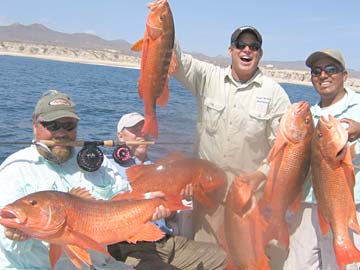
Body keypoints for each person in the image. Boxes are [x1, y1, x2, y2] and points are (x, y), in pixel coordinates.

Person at [0, 90, 170, 270]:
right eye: (52, 125)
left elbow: (124, 198)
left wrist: (150, 204)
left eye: (69, 126)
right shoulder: (15, 169)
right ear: (35, 126)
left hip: (100, 264)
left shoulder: (97, 161)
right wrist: (14, 236)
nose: (61, 133)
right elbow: (7, 245)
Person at [172, 25, 291, 247]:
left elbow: (284, 150)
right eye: (241, 45)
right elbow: (176, 61)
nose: (247, 50)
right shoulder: (208, 77)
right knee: (208, 259)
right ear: (231, 50)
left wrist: (261, 174)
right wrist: (164, 22)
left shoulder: (275, 93)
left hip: (248, 203)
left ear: (260, 54)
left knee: (243, 260)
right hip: (208, 198)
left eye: (253, 47)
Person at [107, 112, 227, 270]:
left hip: (168, 241)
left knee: (226, 258)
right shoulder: (108, 169)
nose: (141, 134)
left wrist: (177, 203)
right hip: (136, 246)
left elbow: (170, 212)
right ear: (120, 136)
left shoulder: (162, 166)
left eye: (144, 129)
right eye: (134, 130)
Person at [283, 49, 360, 270]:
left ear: (345, 76)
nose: (323, 75)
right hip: (307, 207)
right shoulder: (310, 116)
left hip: (347, 208)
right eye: (316, 71)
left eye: (331, 69)